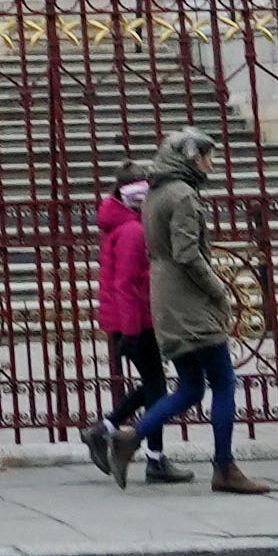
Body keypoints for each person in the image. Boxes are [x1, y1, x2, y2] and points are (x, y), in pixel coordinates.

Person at [126, 126, 268, 493]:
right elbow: (188, 253)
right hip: (189, 300)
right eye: (207, 156)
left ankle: (128, 439)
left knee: (190, 385)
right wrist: (218, 290)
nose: (211, 163)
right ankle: (224, 467)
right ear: (190, 158)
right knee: (223, 380)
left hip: (166, 297)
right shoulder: (184, 196)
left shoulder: (155, 194)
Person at [82, 170, 161, 480]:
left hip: (132, 318)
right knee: (157, 386)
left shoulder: (125, 225)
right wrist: (132, 331)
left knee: (155, 385)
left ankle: (107, 429)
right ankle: (153, 457)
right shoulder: (131, 231)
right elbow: (125, 285)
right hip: (134, 321)